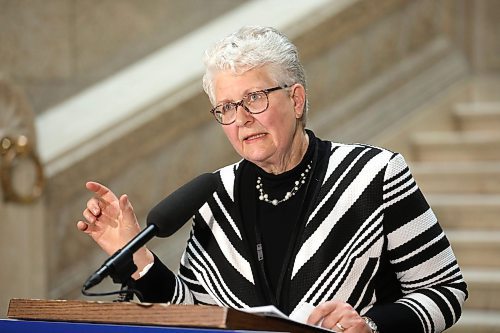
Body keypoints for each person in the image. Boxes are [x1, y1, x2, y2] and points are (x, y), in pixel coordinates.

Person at [77, 26, 467, 333]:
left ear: (296, 100)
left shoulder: (374, 175)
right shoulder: (217, 195)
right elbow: (196, 314)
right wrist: (136, 255)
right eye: (226, 107)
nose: (242, 119)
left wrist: (372, 325)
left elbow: (446, 291)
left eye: (255, 98)